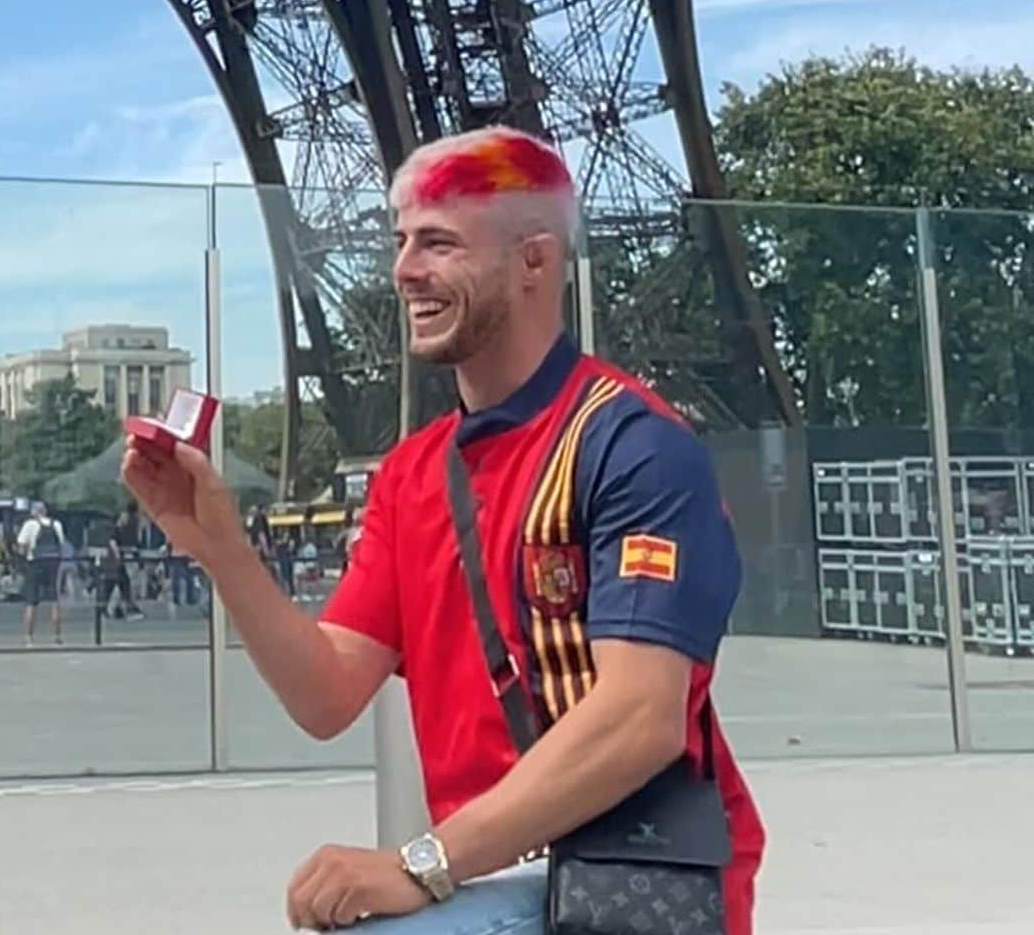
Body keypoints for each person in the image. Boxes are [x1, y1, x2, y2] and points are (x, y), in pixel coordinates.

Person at [122, 125, 764, 934]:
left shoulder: (636, 448)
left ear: (535, 261)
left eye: (438, 243)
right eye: (400, 242)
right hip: (495, 868)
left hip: (619, 884)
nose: (403, 271)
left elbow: (641, 718)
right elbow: (326, 696)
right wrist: (219, 548)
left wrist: (421, 864)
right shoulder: (412, 473)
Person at [15, 501, 66, 646]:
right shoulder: (56, 524)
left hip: (35, 564)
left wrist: (22, 556)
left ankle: (28, 638)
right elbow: (61, 544)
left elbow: (22, 545)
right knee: (54, 600)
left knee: (31, 602)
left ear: (34, 512)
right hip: (53, 563)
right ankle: (57, 636)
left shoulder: (30, 524)